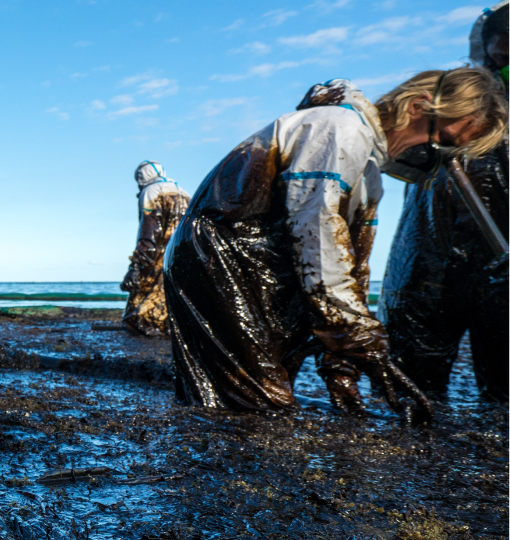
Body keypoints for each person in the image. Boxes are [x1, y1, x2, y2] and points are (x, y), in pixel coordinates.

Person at [163, 69, 506, 415]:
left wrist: (342, 363)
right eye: (444, 140)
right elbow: (317, 233)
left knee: (268, 382)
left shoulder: (371, 173)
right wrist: (356, 334)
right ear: (417, 106)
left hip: (260, 266)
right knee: (249, 396)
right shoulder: (340, 129)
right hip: (221, 258)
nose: (438, 158)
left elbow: (352, 264)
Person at [380, 0, 509, 401]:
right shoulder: (464, 105)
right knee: (413, 381)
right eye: (501, 51)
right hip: (429, 259)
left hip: (499, 265)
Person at [121, 161, 190, 337]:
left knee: (140, 312)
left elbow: (149, 231)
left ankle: (147, 330)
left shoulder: (150, 192)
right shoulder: (184, 193)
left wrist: (136, 266)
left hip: (158, 255)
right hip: (180, 255)